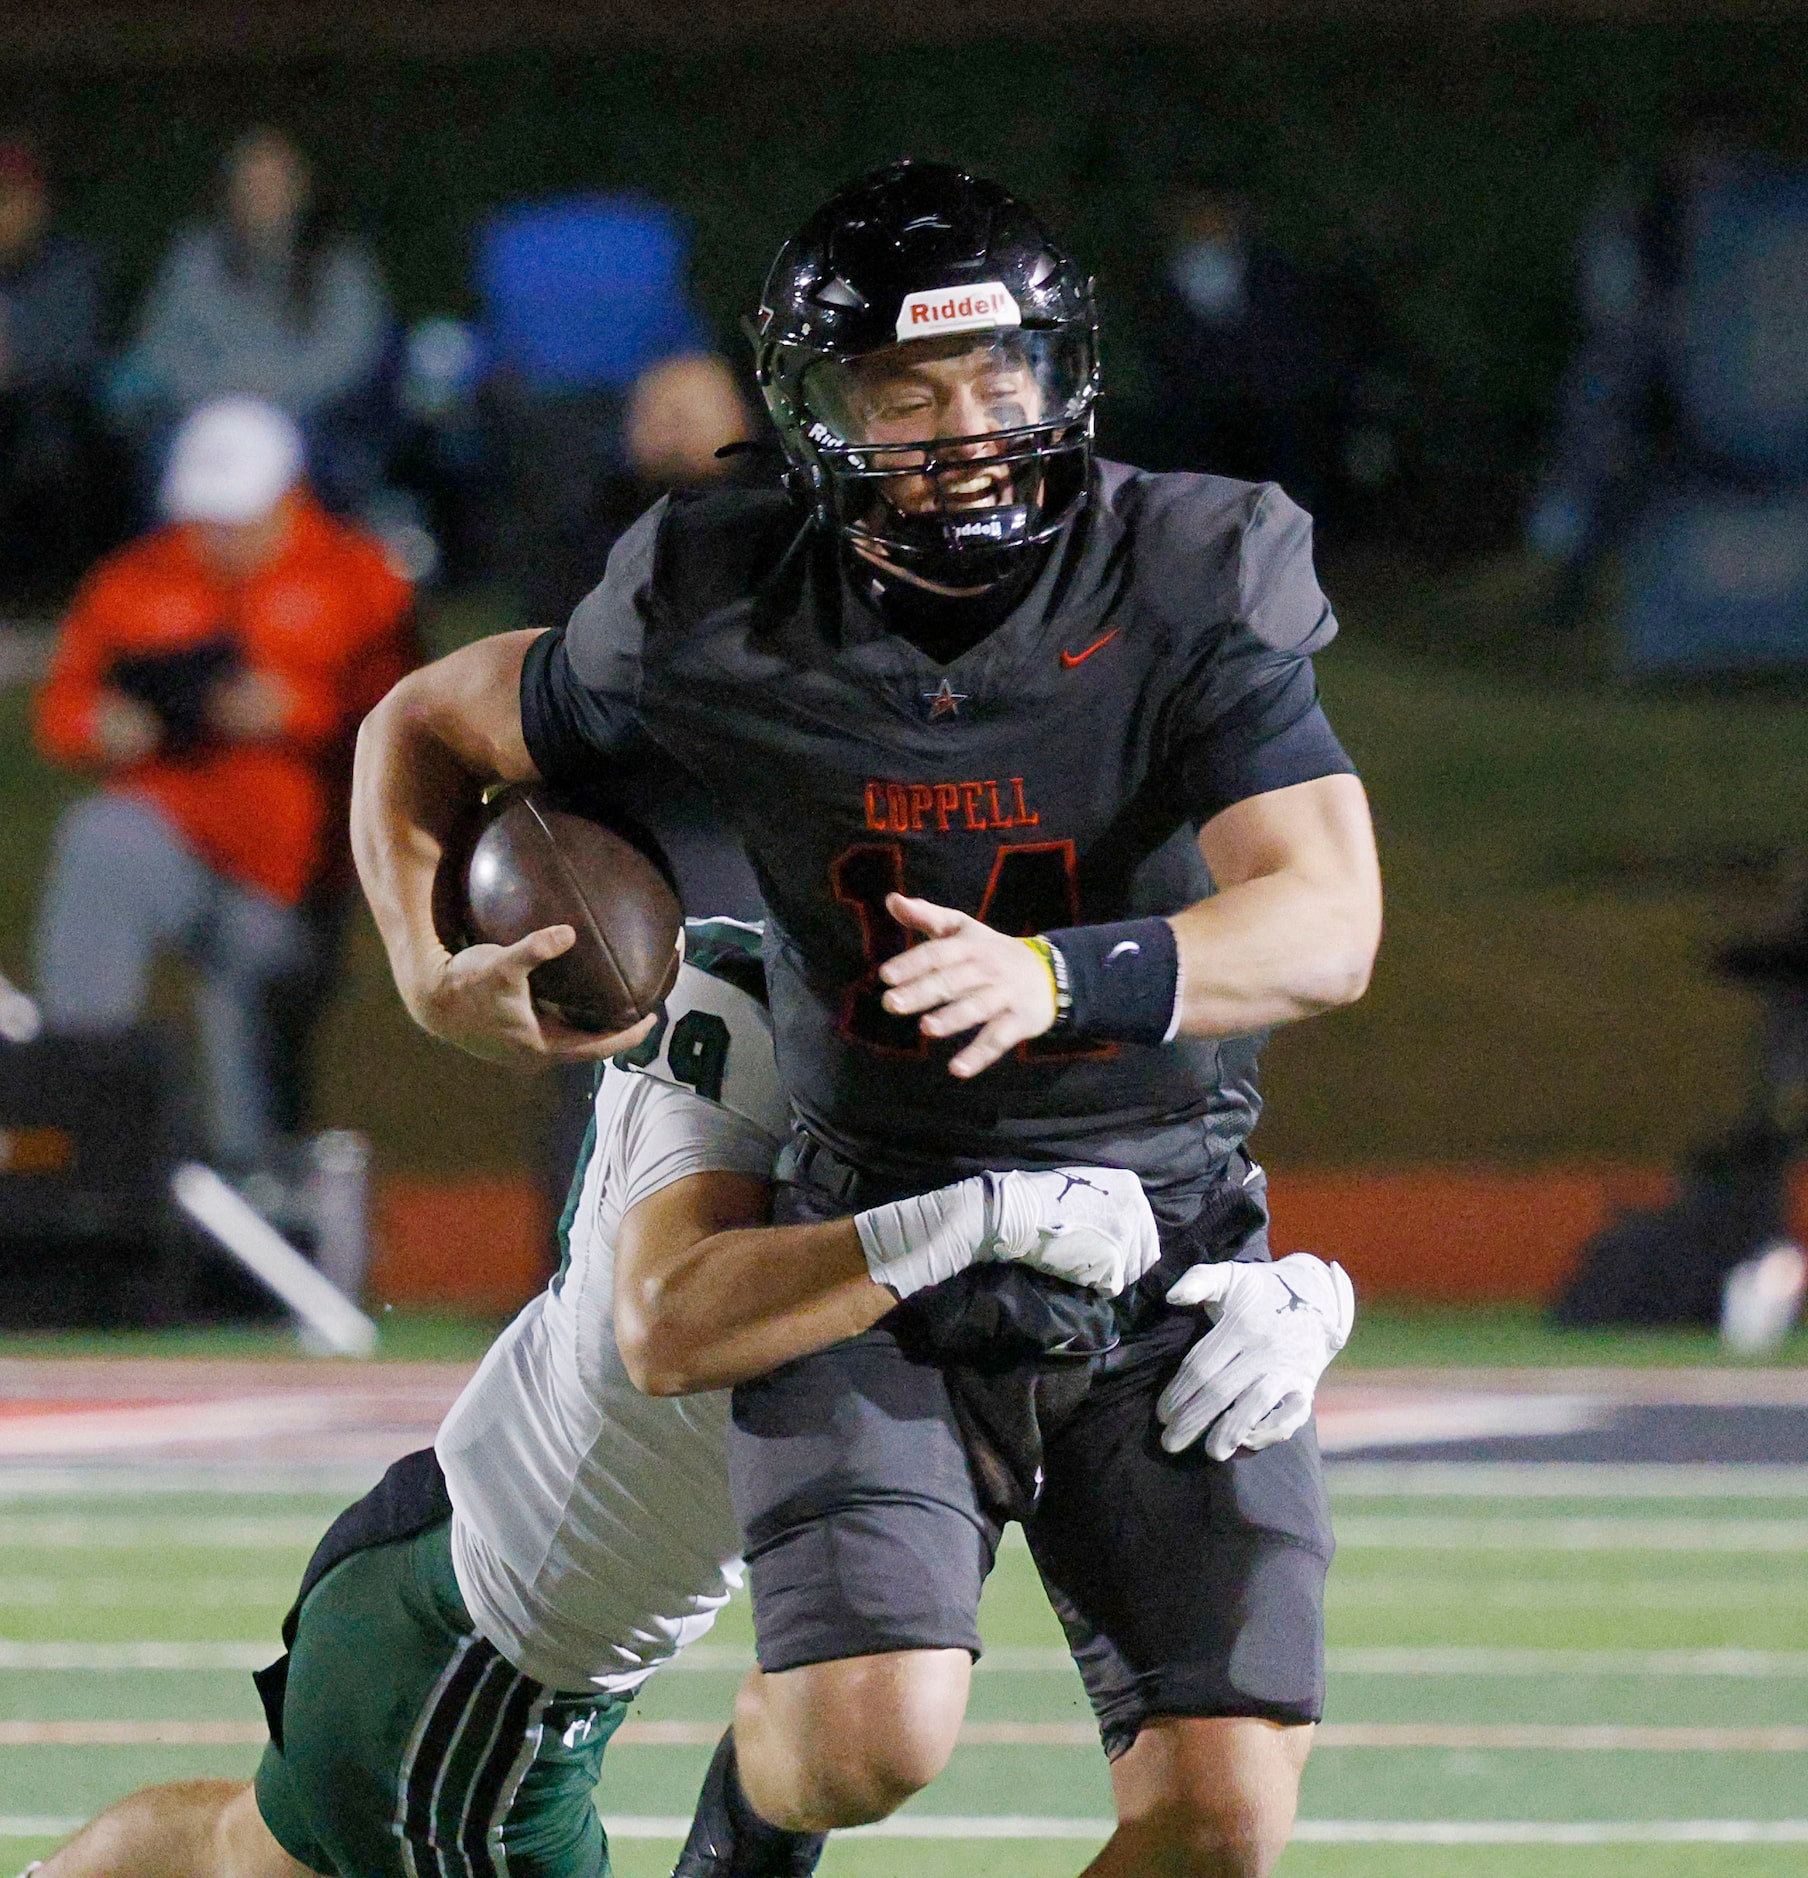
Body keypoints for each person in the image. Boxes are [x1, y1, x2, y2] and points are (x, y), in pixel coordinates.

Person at [349, 160, 1379, 1878]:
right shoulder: (722, 594)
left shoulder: (1192, 568)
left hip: (1157, 1221)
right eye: (906, 394)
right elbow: (424, 720)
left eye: (995, 382)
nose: (963, 429)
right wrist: (418, 955)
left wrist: (1050, 973)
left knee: (1220, 1816)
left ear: (1060, 380)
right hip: (878, 1213)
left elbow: (1326, 917)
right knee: (865, 1736)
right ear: (820, 413)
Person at [25, 919, 1160, 1878]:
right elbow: (679, 1319)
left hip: (433, 1574)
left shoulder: (777, 1003)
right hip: (483, 1671)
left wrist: (1254, 1289)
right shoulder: (740, 1019)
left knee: (249, 1850)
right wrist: (984, 1218)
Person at [33, 396, 415, 1178]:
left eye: (235, 516)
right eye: (202, 515)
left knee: (254, 1051)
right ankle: (75, 1130)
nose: (214, 535)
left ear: (286, 499)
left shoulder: (360, 578)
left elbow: (408, 713)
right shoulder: (134, 580)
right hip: (174, 839)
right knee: (101, 838)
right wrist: (103, 725)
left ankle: (259, 1221)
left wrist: (293, 710)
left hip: (291, 871)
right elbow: (62, 709)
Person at [115, 128, 393, 516]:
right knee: (164, 454)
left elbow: (350, 354)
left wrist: (269, 399)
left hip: (302, 415)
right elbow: (160, 346)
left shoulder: (339, 262)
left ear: (302, 189)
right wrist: (220, 401)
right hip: (202, 414)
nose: (263, 192)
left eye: (275, 180)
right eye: (252, 181)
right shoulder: (193, 258)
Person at [0, 133, 110, 598]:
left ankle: (51, 596)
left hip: (47, 418)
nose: (9, 213)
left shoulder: (72, 267)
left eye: (16, 198)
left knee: (51, 429)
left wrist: (14, 365)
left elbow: (77, 357)